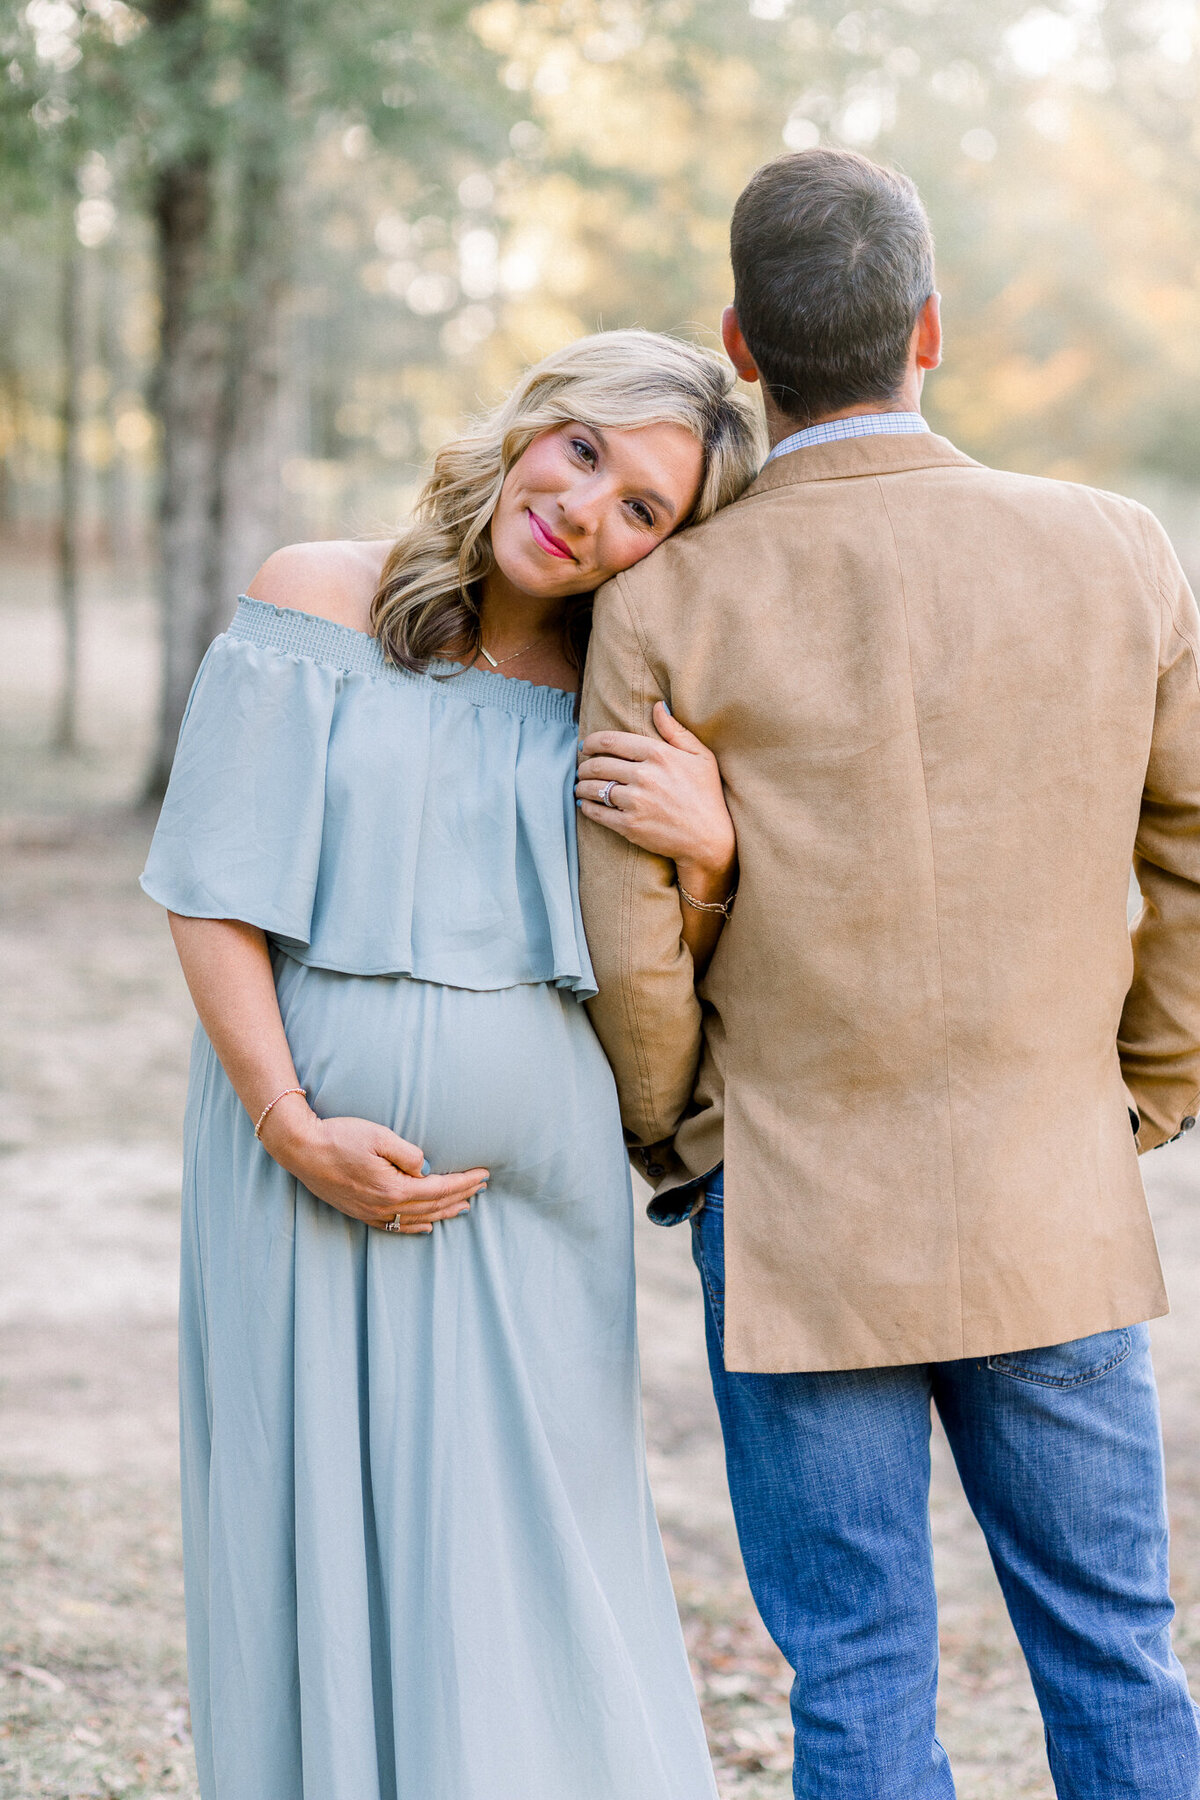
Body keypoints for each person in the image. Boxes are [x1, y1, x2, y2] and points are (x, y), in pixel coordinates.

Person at [576, 149, 1200, 1798]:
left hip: (789, 1203)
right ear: (931, 330)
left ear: (741, 342)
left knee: (853, 1678)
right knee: (1118, 1648)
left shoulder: (667, 598)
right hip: (1046, 1185)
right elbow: (1192, 846)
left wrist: (682, 1137)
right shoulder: (1119, 549)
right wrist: (1144, 1090)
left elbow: (633, 930)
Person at [139, 328, 764, 1800]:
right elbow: (213, 889)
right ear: (538, 422)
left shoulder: (625, 681)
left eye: (643, 512)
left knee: (535, 1563)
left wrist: (715, 848)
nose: (586, 511)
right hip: (294, 1169)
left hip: (534, 1208)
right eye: (589, 454)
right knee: (315, 1539)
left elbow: (674, 952)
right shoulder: (318, 596)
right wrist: (290, 1122)